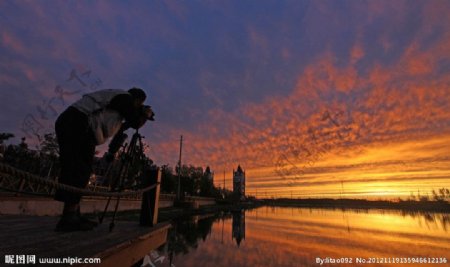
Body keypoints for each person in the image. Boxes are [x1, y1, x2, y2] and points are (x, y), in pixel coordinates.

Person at [54, 88, 154, 232]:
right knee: (78, 169)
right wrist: (145, 115)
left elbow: (122, 130)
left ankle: (72, 215)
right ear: (137, 100)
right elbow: (135, 121)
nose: (138, 106)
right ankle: (69, 218)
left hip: (79, 125)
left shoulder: (117, 108)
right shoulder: (124, 98)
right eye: (140, 103)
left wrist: (111, 153)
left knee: (80, 169)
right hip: (77, 122)